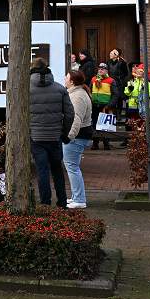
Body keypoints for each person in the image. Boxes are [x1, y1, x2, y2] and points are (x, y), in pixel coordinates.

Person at [29, 58, 74, 208]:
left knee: (42, 171)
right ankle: (62, 202)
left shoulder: (26, 89)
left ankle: (45, 203)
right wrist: (64, 133)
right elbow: (70, 114)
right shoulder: (60, 89)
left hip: (36, 137)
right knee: (57, 170)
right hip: (55, 136)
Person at [63, 70, 93, 209]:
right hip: (79, 135)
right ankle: (76, 197)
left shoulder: (77, 96)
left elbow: (76, 119)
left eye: (67, 77)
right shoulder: (78, 93)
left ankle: (79, 199)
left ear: (72, 81)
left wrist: (69, 137)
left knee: (72, 167)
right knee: (72, 166)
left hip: (77, 136)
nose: (65, 79)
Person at [90, 63, 116, 150]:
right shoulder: (93, 79)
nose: (100, 70)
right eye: (99, 69)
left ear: (106, 71)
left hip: (105, 106)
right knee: (95, 125)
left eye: (103, 69)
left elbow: (115, 94)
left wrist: (110, 105)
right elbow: (90, 91)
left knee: (105, 126)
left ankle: (106, 143)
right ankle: (95, 143)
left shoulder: (111, 81)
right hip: (95, 105)